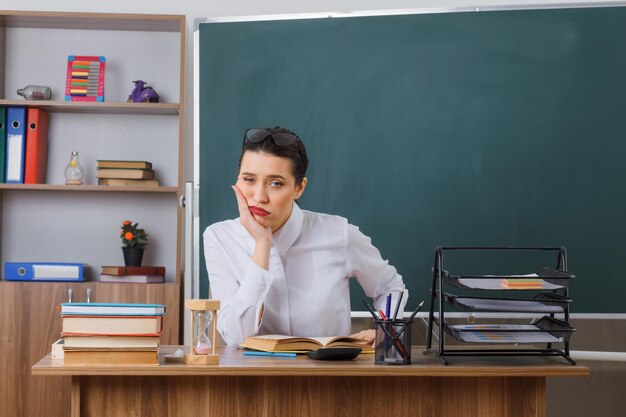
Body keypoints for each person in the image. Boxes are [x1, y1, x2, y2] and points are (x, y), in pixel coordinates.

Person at [203, 126, 407, 346]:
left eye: (276, 183)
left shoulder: (339, 233)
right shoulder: (219, 237)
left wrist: (385, 328)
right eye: (248, 179)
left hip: (328, 374)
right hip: (254, 376)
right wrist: (262, 245)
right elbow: (235, 336)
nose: (259, 197)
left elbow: (389, 286)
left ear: (299, 188)